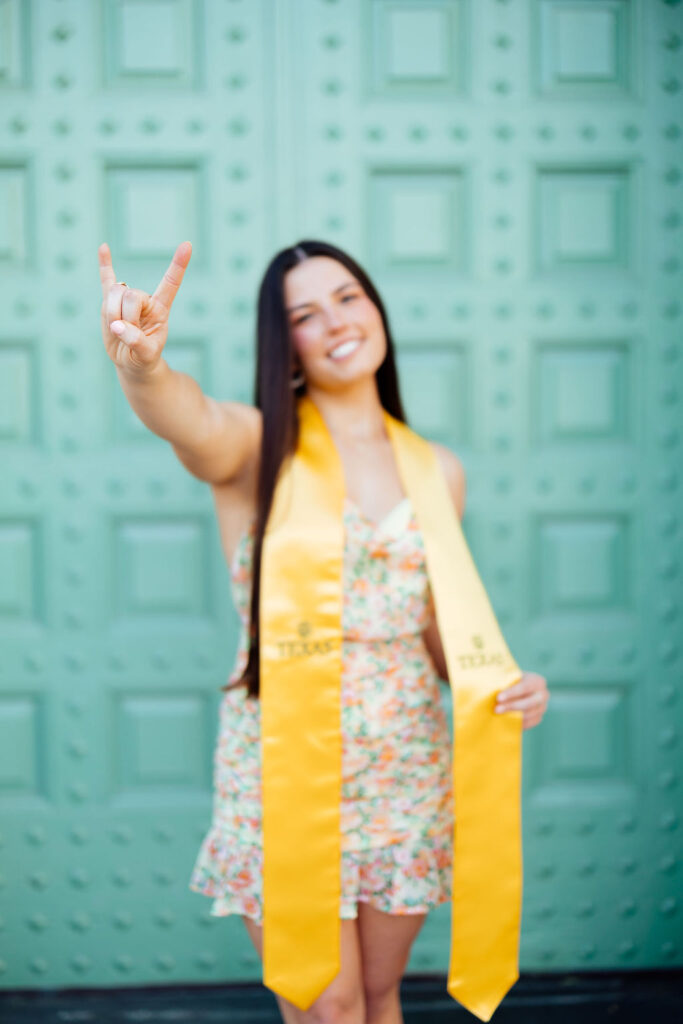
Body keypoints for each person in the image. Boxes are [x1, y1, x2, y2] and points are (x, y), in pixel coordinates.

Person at [99, 238, 549, 1024]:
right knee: (325, 1002)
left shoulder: (435, 468)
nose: (337, 320)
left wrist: (504, 684)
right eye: (305, 314)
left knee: (377, 998)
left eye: (348, 296)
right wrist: (142, 368)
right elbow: (187, 417)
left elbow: (436, 627)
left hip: (404, 765)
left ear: (375, 307)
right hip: (283, 765)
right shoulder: (254, 444)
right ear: (288, 349)